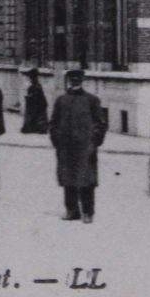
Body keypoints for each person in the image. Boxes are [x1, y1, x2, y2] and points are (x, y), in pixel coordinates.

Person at [49, 68, 107, 222]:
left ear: (82, 81)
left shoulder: (92, 100)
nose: (75, 81)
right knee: (68, 179)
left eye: (78, 79)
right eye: (72, 78)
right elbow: (53, 123)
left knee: (86, 180)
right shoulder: (61, 100)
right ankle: (71, 210)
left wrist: (94, 143)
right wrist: (57, 141)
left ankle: (88, 212)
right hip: (66, 147)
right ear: (68, 80)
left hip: (85, 147)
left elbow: (101, 124)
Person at [21, 68, 49, 134]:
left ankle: (40, 128)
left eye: (30, 77)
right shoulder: (35, 85)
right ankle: (36, 127)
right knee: (37, 115)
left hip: (38, 104)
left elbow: (36, 95)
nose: (30, 79)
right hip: (38, 103)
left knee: (39, 116)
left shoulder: (36, 85)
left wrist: (30, 96)